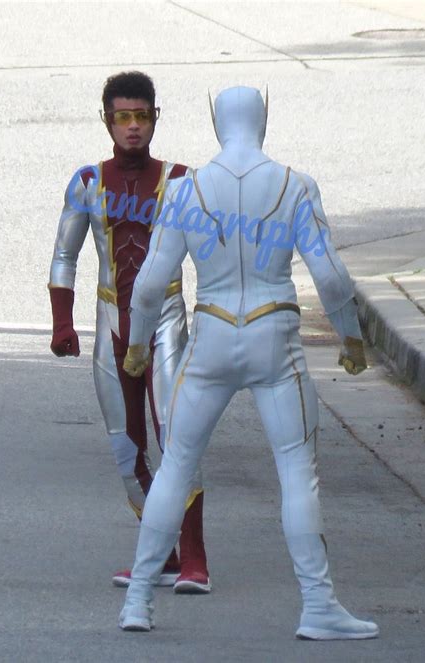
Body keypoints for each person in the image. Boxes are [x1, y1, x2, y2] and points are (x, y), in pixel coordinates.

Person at [118, 86, 379, 640]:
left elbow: (147, 287)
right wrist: (351, 338)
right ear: (265, 118)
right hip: (273, 334)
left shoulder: (187, 190)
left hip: (212, 331)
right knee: (295, 471)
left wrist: (138, 345)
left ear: (216, 122)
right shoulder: (293, 186)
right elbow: (331, 277)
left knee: (176, 464)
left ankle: (139, 599)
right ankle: (317, 603)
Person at [48, 71, 210, 594]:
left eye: (142, 116)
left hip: (165, 321)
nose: (133, 127)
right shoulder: (88, 182)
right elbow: (64, 255)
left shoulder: (183, 180)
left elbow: (211, 258)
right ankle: (159, 551)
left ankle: (195, 560)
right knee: (126, 449)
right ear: (107, 120)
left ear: (155, 117)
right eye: (123, 117)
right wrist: (61, 321)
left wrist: (212, 320)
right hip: (109, 323)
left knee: (176, 438)